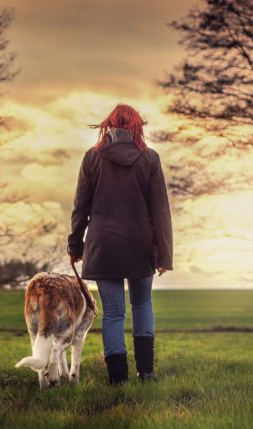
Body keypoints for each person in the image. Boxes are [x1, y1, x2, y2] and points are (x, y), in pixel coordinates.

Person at [67, 103, 173, 384]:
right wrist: (164, 255)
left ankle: (118, 380)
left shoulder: (92, 158)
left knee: (113, 313)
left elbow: (81, 207)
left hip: (104, 245)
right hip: (140, 243)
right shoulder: (150, 159)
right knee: (142, 304)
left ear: (108, 127)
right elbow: (160, 210)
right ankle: (146, 373)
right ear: (138, 127)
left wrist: (75, 246)